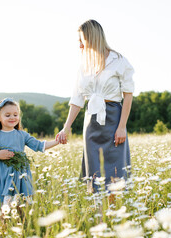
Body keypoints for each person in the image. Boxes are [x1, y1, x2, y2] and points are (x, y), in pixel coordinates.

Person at [56, 19, 134, 193]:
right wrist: (66, 128)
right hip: (91, 122)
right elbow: (77, 99)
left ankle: (115, 214)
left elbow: (128, 96)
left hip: (113, 119)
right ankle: (99, 215)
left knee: (115, 173)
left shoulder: (119, 61)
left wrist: (122, 127)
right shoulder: (84, 66)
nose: (79, 45)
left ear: (91, 37)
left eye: (81, 40)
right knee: (94, 173)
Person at [0, 98, 59, 210]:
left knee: (19, 206)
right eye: (7, 115)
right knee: (0, 209)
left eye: (15, 114)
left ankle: (20, 225)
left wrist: (57, 141)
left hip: (18, 175)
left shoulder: (22, 135)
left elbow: (40, 146)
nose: (12, 117)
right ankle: (3, 226)